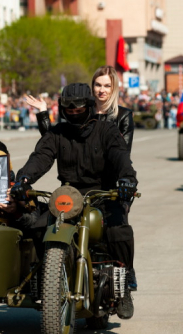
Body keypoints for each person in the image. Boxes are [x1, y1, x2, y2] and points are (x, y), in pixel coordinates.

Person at [13, 83, 138, 319]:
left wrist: (127, 180)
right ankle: (48, 278)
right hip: (68, 195)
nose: (73, 113)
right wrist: (24, 179)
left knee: (119, 230)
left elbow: (121, 156)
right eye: (68, 109)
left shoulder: (106, 130)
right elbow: (41, 157)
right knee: (39, 228)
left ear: (89, 106)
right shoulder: (57, 133)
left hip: (101, 194)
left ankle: (123, 287)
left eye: (78, 108)